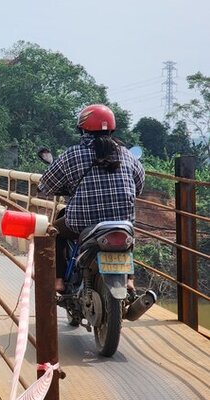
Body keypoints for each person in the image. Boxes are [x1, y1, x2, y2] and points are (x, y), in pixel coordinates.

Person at [38, 104, 145, 293]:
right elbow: (139, 184)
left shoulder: (72, 155)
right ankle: (129, 280)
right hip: (122, 221)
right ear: (112, 129)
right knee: (127, 234)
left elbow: (46, 185)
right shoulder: (126, 154)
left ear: (82, 129)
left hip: (82, 223)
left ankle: (58, 281)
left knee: (54, 232)